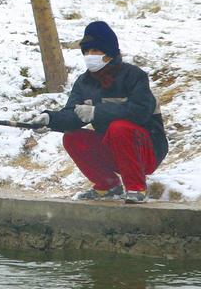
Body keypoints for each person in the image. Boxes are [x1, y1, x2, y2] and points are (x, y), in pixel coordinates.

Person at [32, 21, 168, 203]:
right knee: (72, 137)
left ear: (109, 53)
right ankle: (108, 185)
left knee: (119, 127)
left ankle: (137, 188)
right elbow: (73, 114)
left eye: (95, 51)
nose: (90, 56)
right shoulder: (84, 82)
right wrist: (50, 119)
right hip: (114, 148)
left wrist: (97, 112)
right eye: (86, 52)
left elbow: (140, 112)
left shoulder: (134, 76)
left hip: (148, 149)